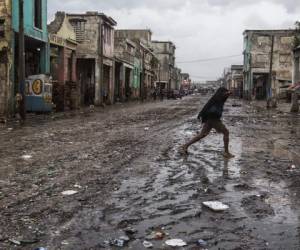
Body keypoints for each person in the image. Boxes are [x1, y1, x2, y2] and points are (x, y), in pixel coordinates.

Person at [180, 87, 234, 158]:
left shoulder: (219, 98)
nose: (226, 94)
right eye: (224, 92)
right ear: (221, 92)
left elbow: (223, 97)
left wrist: (228, 93)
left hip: (210, 119)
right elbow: (221, 96)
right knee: (226, 132)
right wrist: (228, 92)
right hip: (213, 119)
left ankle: (185, 146)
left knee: (202, 135)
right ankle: (226, 152)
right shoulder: (217, 98)